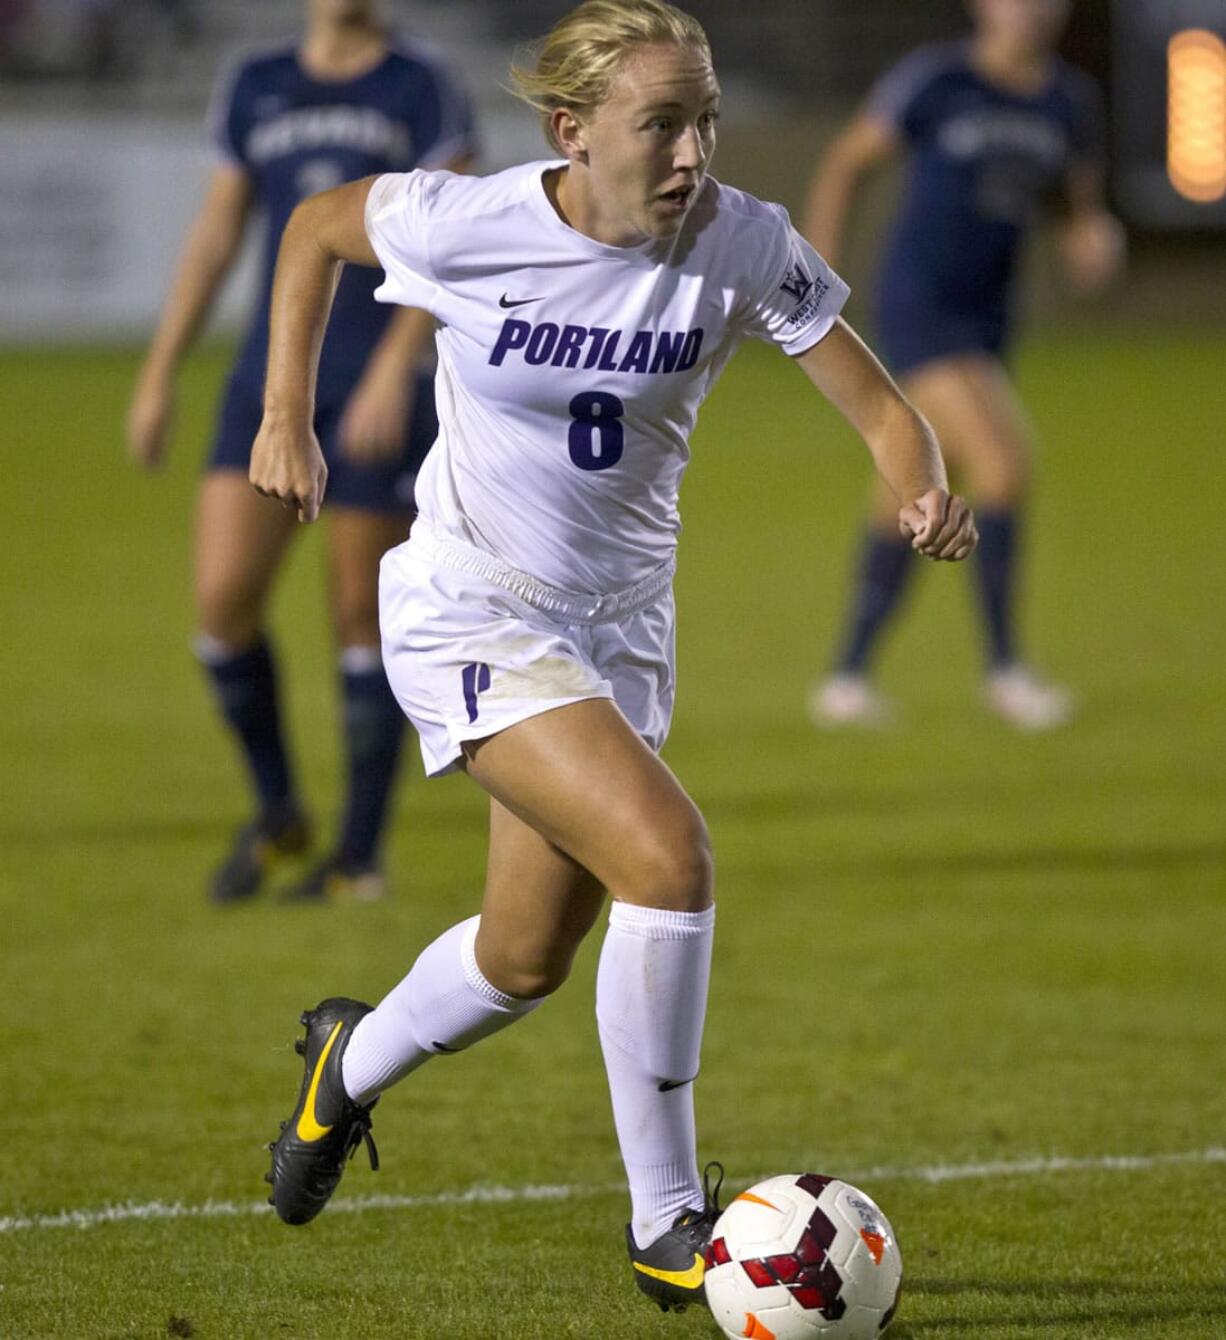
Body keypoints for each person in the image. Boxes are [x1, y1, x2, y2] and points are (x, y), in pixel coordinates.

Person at [253, 0, 977, 1314]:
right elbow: (310, 230)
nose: (694, 148)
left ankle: (342, 1068)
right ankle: (667, 1227)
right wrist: (284, 415)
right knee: (670, 858)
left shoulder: (739, 241)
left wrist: (920, 485)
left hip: (618, 635)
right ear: (571, 132)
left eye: (704, 117)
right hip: (470, 606)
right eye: (661, 123)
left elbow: (879, 406)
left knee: (523, 958)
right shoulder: (465, 221)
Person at [126, 0, 476, 903]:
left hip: (374, 381)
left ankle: (357, 859)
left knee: (361, 615)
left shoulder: (422, 84)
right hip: (270, 381)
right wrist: (160, 370)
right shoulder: (257, 83)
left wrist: (398, 368)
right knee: (222, 603)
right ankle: (279, 810)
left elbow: (453, 243)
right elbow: (218, 236)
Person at [805, 0, 1123, 731]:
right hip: (920, 309)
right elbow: (847, 162)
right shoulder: (936, 80)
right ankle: (1006, 670)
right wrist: (816, 276)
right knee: (1004, 466)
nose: (1029, 12)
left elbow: (1080, 208)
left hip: (988, 320)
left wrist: (1091, 240)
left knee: (907, 494)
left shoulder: (1068, 101)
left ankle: (847, 679)